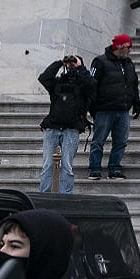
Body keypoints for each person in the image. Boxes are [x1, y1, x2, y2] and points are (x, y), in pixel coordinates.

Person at [36, 54, 93, 193]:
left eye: (73, 63)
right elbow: (44, 78)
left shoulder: (83, 85)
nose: (71, 65)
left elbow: (92, 84)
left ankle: (65, 196)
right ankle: (44, 195)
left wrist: (80, 66)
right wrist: (60, 63)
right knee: (47, 165)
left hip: (71, 129)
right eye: (70, 64)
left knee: (67, 166)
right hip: (53, 127)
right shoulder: (57, 83)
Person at [86, 35, 140, 181]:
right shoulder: (100, 61)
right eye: (127, 47)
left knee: (121, 141)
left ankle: (115, 169)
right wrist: (92, 107)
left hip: (123, 110)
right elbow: (92, 84)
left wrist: (136, 102)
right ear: (120, 47)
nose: (129, 50)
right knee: (99, 140)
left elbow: (133, 84)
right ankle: (94, 169)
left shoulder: (129, 63)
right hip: (104, 109)